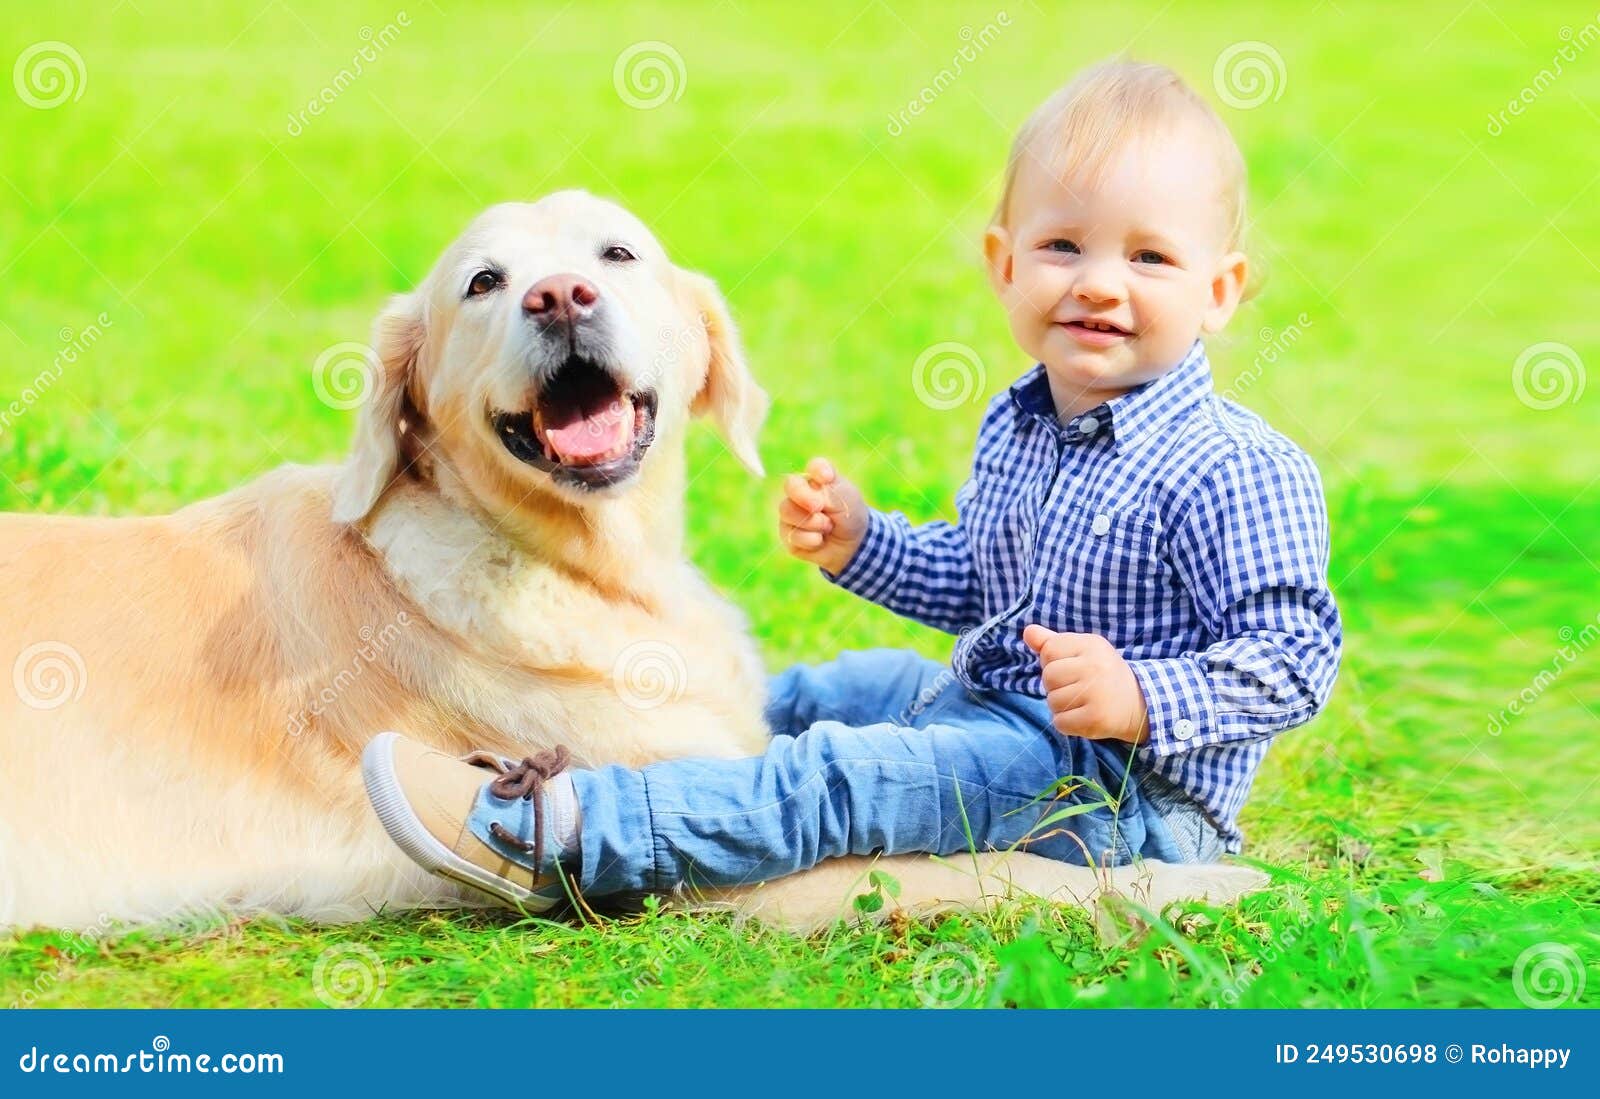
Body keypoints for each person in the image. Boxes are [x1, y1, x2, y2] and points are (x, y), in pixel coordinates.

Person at [361, 58, 1343, 912]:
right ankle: (628, 756)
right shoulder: (1026, 419)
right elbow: (978, 579)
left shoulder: (1236, 468)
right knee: (832, 691)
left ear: (1218, 290)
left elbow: (1297, 658)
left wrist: (1142, 694)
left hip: (1118, 791)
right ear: (1003, 266)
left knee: (839, 779)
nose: (1096, 283)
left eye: (1149, 257)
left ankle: (565, 836)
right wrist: (865, 542)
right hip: (997, 713)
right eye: (1062, 247)